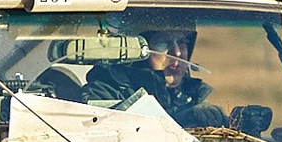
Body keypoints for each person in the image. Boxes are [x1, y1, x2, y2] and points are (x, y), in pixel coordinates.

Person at [82, 26, 222, 125]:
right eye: (163, 42)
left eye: (182, 42)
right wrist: (183, 119)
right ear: (136, 49)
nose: (177, 53)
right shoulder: (104, 93)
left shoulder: (190, 95)